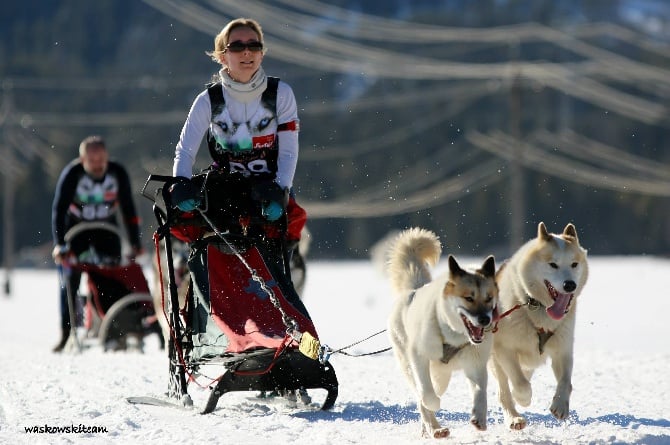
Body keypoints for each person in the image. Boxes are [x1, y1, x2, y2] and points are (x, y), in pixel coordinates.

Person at [170, 18, 308, 310]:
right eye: (238, 46)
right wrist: (181, 183)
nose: (247, 52)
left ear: (262, 52)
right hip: (225, 189)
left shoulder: (280, 94)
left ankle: (279, 303)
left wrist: (282, 189)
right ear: (223, 56)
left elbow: (288, 151)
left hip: (268, 188)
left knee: (281, 234)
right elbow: (185, 150)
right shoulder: (208, 100)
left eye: (254, 45)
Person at [51, 135, 143, 352]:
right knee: (69, 281)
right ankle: (67, 332)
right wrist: (59, 243)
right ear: (83, 160)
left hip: (106, 232)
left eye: (101, 159)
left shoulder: (117, 173)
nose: (97, 164)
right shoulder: (72, 174)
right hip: (77, 233)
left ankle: (114, 328)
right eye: (92, 160)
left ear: (107, 157)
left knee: (110, 278)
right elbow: (59, 209)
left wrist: (134, 241)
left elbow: (128, 208)